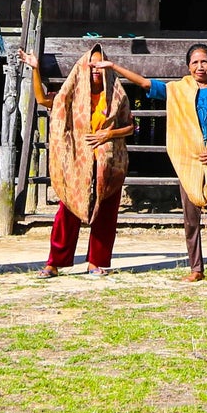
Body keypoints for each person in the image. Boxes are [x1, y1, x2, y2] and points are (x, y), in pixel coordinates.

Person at [105, 46, 207, 282]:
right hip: (191, 161)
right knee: (191, 218)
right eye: (195, 62)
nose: (200, 66)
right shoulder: (178, 90)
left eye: (204, 62)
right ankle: (196, 268)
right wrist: (114, 67)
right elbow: (146, 84)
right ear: (188, 66)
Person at [26, 46, 135, 278]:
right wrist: (35, 69)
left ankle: (97, 262)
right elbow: (43, 99)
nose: (96, 69)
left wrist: (109, 135)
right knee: (67, 212)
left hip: (108, 163)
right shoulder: (72, 94)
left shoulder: (117, 94)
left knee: (106, 213)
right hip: (77, 163)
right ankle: (54, 262)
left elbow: (130, 126)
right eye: (92, 65)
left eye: (100, 64)